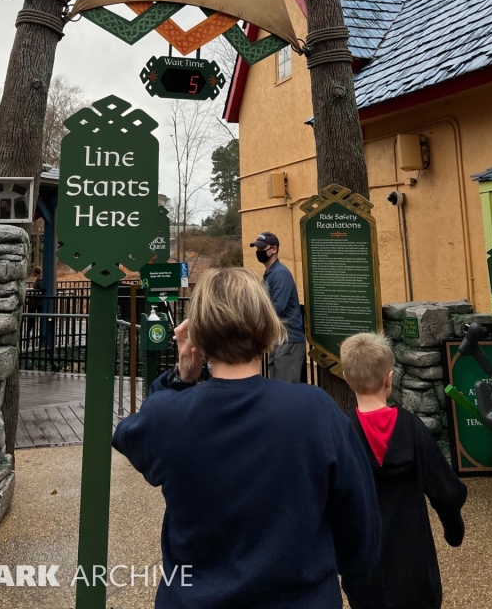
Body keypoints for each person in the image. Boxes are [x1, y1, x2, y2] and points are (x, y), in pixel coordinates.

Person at [113, 267, 380, 609]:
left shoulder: (169, 415)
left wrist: (181, 377)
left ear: (198, 334)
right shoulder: (315, 410)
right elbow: (362, 530)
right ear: (268, 324)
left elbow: (132, 435)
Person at [339, 332, 467, 609]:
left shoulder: (342, 434)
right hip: (414, 565)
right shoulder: (411, 428)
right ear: (390, 378)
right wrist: (453, 527)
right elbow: (444, 489)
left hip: (365, 567)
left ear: (348, 379)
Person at [250, 231, 305, 382]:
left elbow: (276, 308)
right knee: (277, 388)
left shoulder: (281, 274)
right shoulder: (269, 274)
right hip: (278, 339)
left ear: (274, 249)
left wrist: (253, 321)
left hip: (289, 340)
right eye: (257, 249)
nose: (259, 252)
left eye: (262, 248)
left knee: (286, 391)